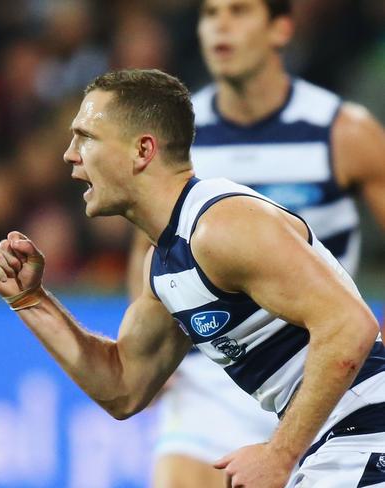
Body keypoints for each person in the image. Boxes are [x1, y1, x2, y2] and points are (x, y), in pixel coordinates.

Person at [0, 69, 385, 488]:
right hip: (342, 442)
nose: (70, 153)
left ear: (142, 150)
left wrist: (279, 454)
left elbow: (350, 326)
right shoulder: (165, 262)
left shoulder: (221, 226)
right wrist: (32, 301)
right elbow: (124, 387)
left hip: (366, 436)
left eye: (86, 136)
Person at [126, 1, 385, 486]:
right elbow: (146, 247)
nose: (220, 26)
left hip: (326, 366)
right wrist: (148, 353)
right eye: (210, 14)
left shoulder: (342, 132)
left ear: (280, 29)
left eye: (239, 12)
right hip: (218, 370)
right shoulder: (174, 135)